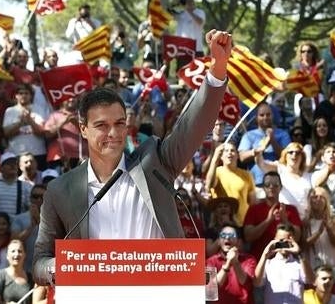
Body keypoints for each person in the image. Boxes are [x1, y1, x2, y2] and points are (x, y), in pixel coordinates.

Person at [33, 28, 231, 285]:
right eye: (102, 125)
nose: (113, 133)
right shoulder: (60, 189)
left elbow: (192, 126)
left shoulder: (155, 163)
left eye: (119, 123)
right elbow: (39, 262)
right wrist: (57, 268)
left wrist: (218, 69)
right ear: (82, 128)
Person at [243, 171, 302, 259]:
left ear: (281, 187)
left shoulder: (290, 209)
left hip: (285, 260)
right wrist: (267, 221)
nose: (271, 187)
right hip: (260, 260)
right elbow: (248, 237)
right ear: (263, 187)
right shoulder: (254, 209)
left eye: (275, 185)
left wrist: (285, 220)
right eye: (267, 184)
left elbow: (297, 238)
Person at [254, 224, 312, 304]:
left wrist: (300, 254)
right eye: (281, 240)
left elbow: (311, 280)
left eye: (288, 241)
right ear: (274, 240)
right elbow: (256, 283)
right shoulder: (268, 263)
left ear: (294, 241)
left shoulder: (299, 264)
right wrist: (264, 255)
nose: (284, 244)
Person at [238, 102, 291, 186]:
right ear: (256, 117)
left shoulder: (283, 134)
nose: (265, 117)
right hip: (256, 182)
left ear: (273, 116)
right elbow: (242, 157)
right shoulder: (249, 135)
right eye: (262, 115)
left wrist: (273, 140)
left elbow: (288, 157)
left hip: (279, 182)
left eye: (268, 114)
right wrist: (258, 150)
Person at [204, 142, 256, 225]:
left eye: (232, 150)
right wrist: (215, 159)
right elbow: (209, 185)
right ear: (221, 156)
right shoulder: (217, 172)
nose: (229, 153)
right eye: (226, 151)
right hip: (221, 223)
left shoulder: (247, 174)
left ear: (237, 155)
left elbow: (253, 202)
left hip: (242, 222)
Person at [205, 223, 257, 304]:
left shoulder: (249, 259)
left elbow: (246, 283)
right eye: (223, 235)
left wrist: (235, 262)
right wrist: (228, 264)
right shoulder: (210, 261)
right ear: (218, 241)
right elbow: (210, 291)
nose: (227, 237)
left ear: (238, 241)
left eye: (231, 235)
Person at [2, 84, 47, 169]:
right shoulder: (10, 111)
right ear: (16, 96)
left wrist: (29, 120)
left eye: (26, 93)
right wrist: (20, 123)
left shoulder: (40, 109)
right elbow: (6, 133)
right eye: (20, 93)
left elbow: (42, 132)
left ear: (31, 95)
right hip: (16, 153)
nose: (23, 95)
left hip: (38, 152)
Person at [0, 239, 31, 303]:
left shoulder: (31, 277)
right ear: (7, 256)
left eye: (20, 251)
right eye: (13, 251)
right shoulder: (0, 275)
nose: (17, 254)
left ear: (24, 255)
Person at [172, 0, 205, 69]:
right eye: (186, 1)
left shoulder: (199, 12)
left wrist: (189, 11)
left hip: (197, 49)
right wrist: (175, 3)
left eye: (190, 1)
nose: (189, 3)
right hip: (183, 50)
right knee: (182, 75)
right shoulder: (181, 14)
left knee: (197, 73)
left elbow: (200, 22)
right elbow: (170, 14)